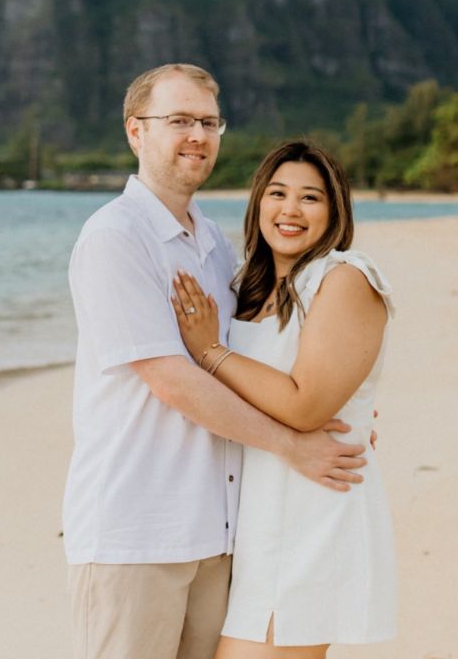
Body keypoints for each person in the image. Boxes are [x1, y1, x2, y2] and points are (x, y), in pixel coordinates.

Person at [63, 64, 369, 659]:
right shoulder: (115, 237)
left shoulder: (214, 245)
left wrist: (345, 409)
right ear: (136, 131)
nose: (198, 136)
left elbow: (250, 362)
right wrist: (292, 443)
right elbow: (171, 380)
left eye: (209, 122)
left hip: (217, 533)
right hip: (137, 532)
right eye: (179, 120)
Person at [171, 140, 396, 658]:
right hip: (254, 515)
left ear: (335, 211)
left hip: (311, 508)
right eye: (277, 193)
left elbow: (305, 406)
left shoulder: (344, 278)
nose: (290, 209)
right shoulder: (247, 289)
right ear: (258, 203)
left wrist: (210, 350)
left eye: (310, 197)